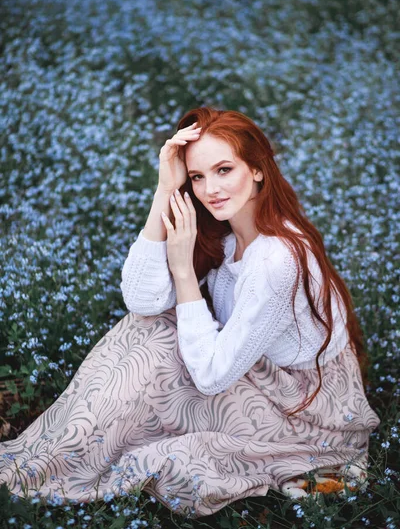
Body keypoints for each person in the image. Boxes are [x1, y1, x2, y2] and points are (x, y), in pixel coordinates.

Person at [0, 107, 380, 518]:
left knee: (160, 352)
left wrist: (182, 270)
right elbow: (142, 301)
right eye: (198, 177)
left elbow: (212, 377)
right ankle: (60, 451)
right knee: (148, 329)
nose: (210, 189)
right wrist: (164, 190)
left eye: (223, 170)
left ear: (257, 170)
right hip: (256, 372)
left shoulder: (276, 260)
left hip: (306, 407)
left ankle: (60, 461)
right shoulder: (228, 234)